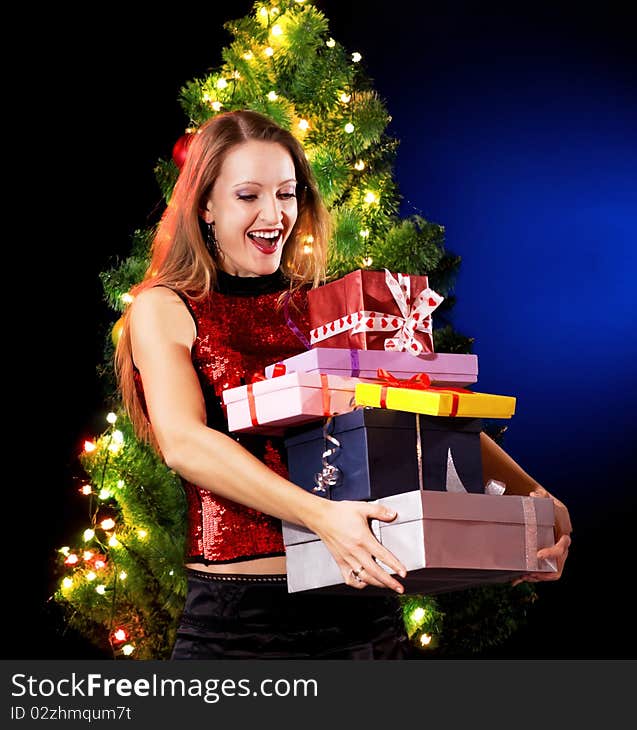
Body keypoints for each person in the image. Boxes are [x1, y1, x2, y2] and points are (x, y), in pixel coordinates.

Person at [115, 109, 571, 659]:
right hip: (239, 621)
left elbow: (416, 414)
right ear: (206, 205)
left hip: (363, 610)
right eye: (248, 196)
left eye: (286, 194)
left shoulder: (329, 306)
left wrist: (533, 498)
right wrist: (321, 516)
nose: (274, 214)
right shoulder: (165, 307)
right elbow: (183, 443)